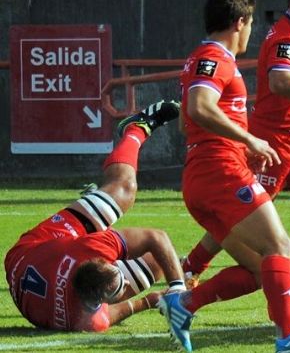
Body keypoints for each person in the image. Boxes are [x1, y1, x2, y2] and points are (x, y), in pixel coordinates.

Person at [168, 0, 290, 353]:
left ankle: (183, 304)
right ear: (240, 22)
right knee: (279, 245)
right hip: (219, 169)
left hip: (204, 171)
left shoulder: (200, 58)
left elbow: (187, 122)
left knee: (261, 270)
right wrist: (250, 140)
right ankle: (289, 336)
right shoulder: (217, 57)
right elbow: (199, 107)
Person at [4, 100, 188, 338]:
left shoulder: (84, 310)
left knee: (124, 189)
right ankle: (93, 210)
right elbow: (124, 307)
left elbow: (157, 236)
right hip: (40, 268)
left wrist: (177, 287)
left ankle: (137, 127)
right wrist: (155, 299)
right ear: (96, 302)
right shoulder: (86, 320)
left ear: (100, 258)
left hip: (31, 250)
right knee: (157, 262)